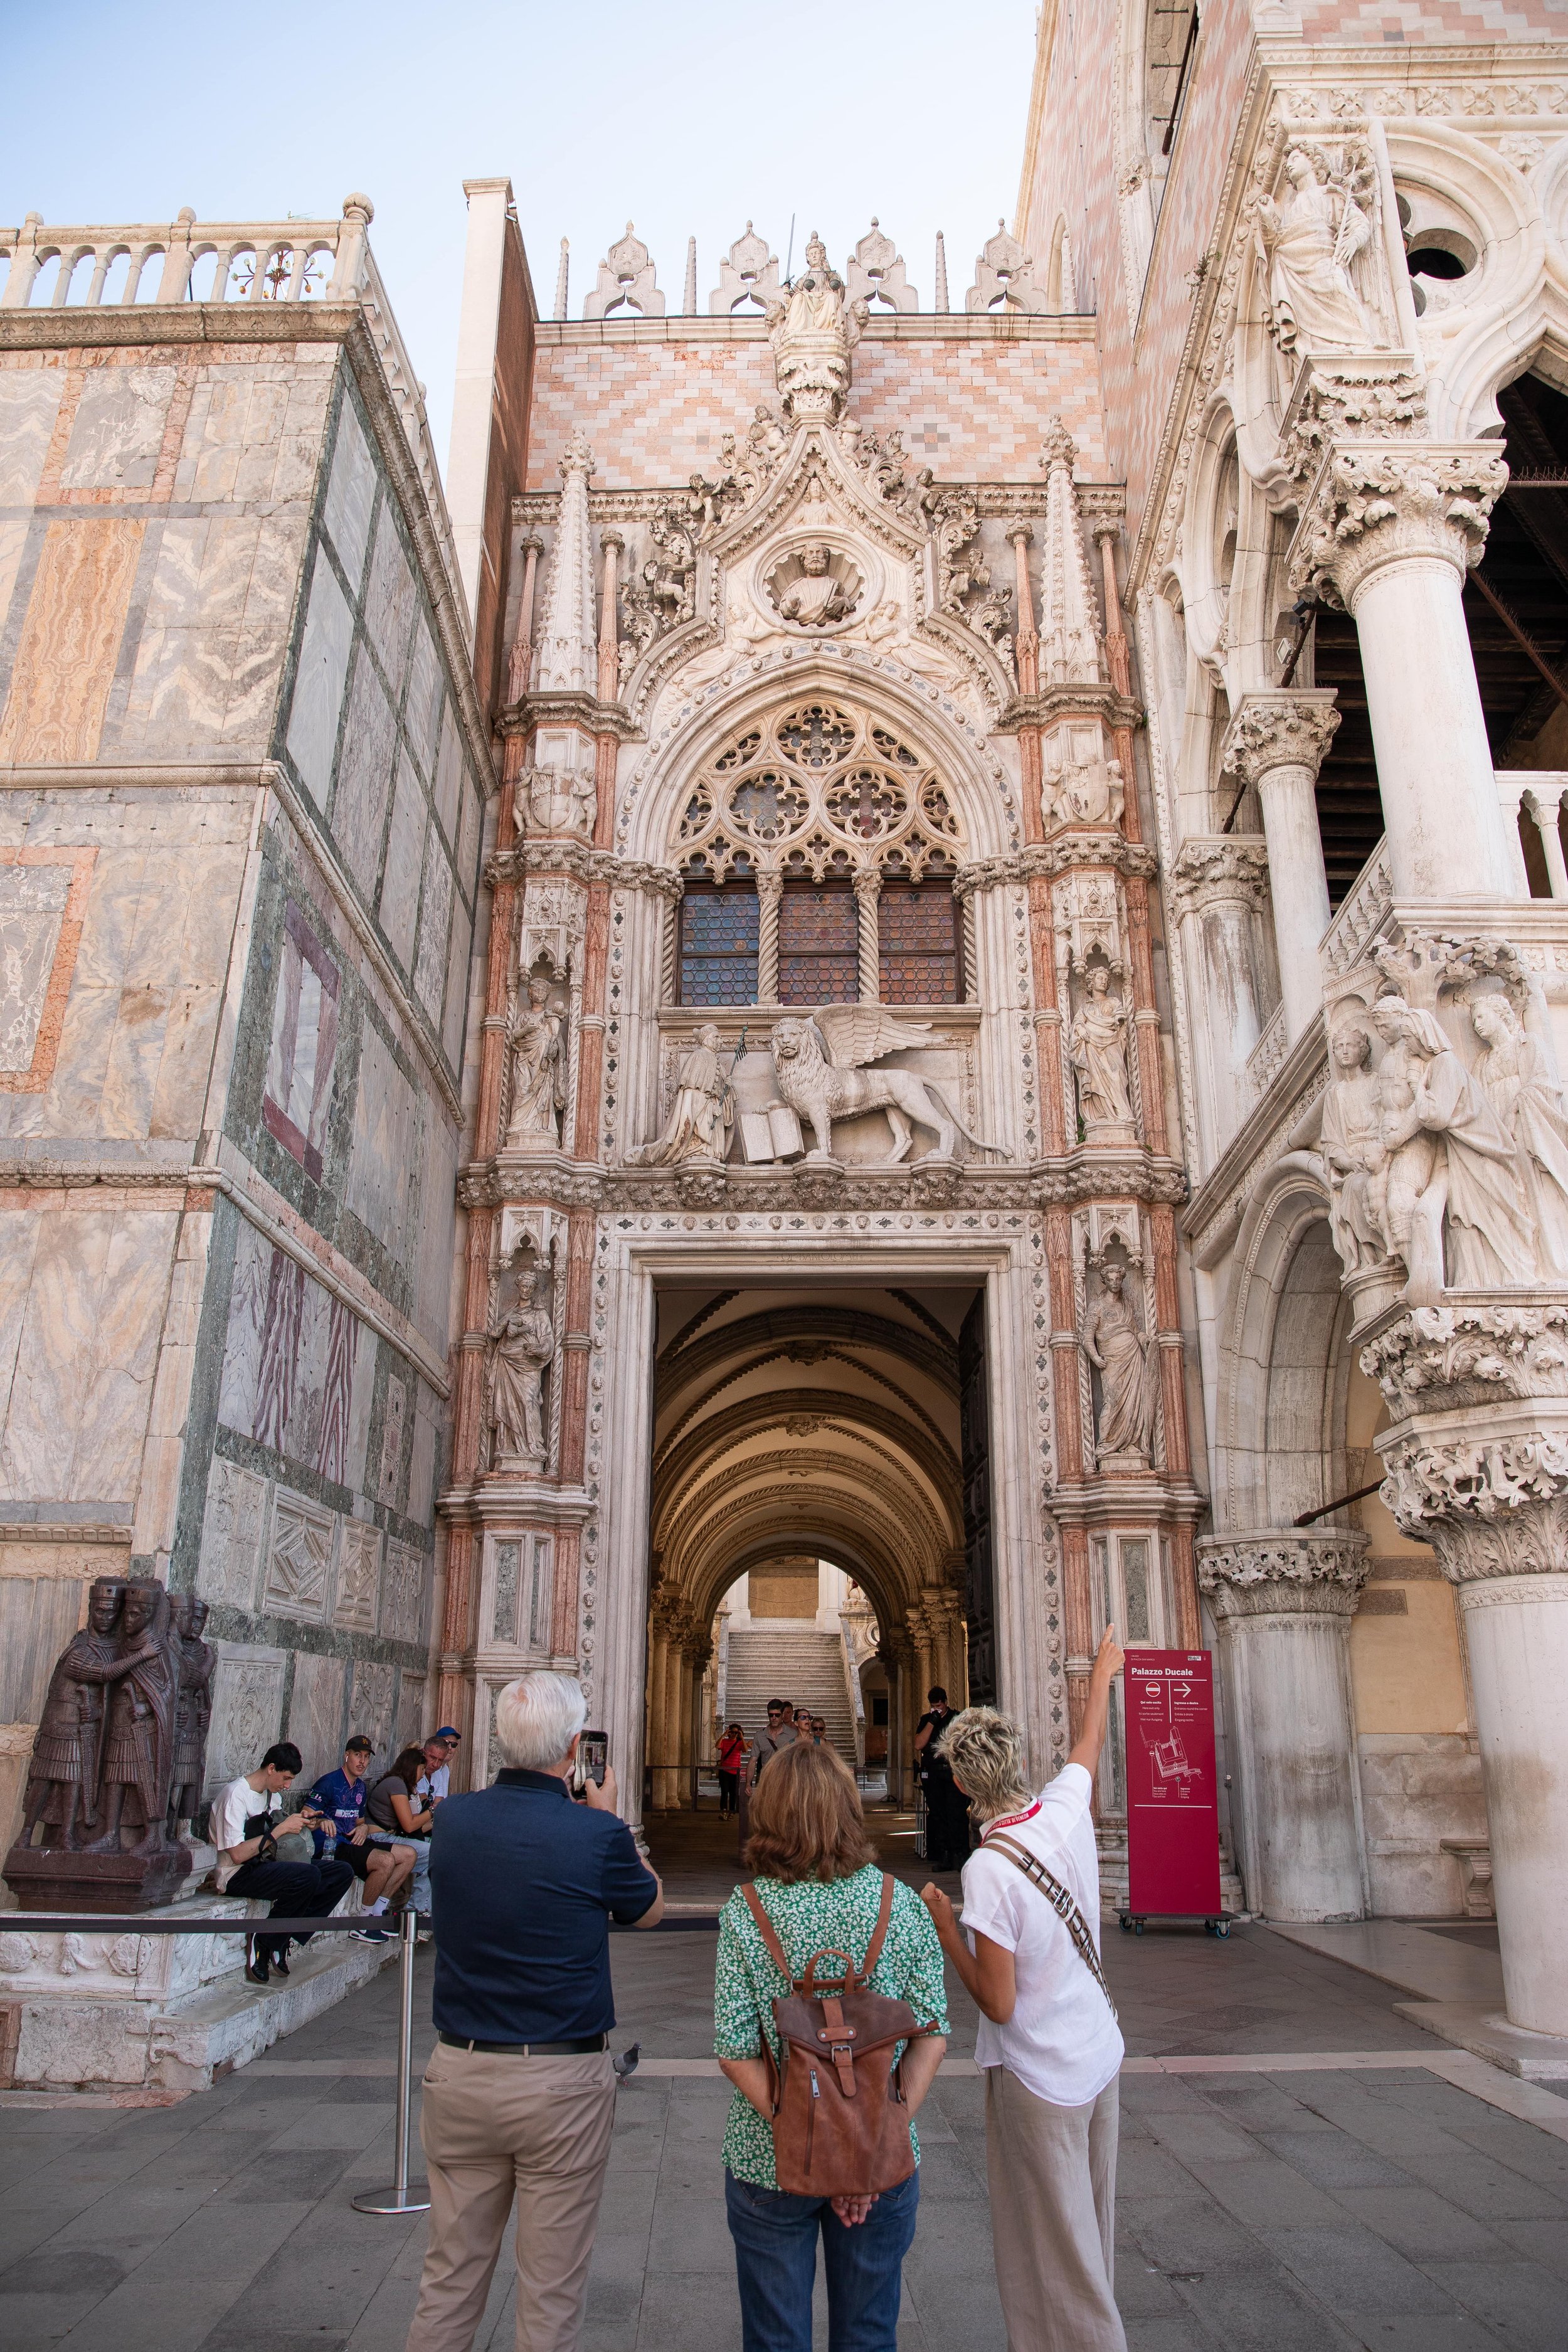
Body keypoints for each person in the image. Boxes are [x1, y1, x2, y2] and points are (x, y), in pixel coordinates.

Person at [405, 1670, 662, 2352]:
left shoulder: (453, 1820)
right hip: (559, 2084)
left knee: (449, 2278)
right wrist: (610, 1822)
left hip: (458, 2073)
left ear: (498, 1741)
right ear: (575, 1747)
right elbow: (648, 1909)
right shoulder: (594, 1836)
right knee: (549, 2292)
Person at [921, 1626, 1128, 2352]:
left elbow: (1000, 2003)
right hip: (1100, 2055)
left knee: (1047, 2245)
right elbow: (1086, 1750)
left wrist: (947, 1931)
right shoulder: (1065, 1810)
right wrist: (1101, 1678)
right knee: (1088, 2233)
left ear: (958, 1783)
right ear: (1017, 1761)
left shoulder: (988, 1870)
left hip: (1040, 2074)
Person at [715, 1740, 950, 2352]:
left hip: (768, 2159)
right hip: (883, 2159)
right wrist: (867, 2137)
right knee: (869, 2336)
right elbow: (931, 2035)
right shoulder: (900, 1904)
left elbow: (735, 2050)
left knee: (774, 2339)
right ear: (850, 1808)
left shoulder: (746, 1911)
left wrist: (806, 2132)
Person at [210, 1740, 356, 1985]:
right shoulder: (235, 1796)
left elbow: (279, 1835)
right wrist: (279, 1832)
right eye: (285, 1778)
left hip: (267, 1863)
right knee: (307, 1876)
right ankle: (265, 1941)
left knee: (341, 1872)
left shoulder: (271, 1795)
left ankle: (284, 1935)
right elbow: (236, 1854)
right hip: (237, 1874)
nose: (287, 1786)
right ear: (271, 1768)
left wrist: (307, 1823)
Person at [307, 1734, 413, 1942]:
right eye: (358, 1755)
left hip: (353, 1841)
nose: (362, 1762)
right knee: (385, 1861)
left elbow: (359, 1822)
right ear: (347, 1756)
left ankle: (378, 1912)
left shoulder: (360, 1788)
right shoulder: (329, 1782)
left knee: (409, 1855)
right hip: (331, 1846)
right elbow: (306, 1815)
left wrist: (363, 1828)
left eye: (366, 1757)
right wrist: (321, 1822)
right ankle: (363, 1924)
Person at [368, 1742, 436, 1929]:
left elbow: (415, 1828)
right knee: (434, 1854)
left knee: (439, 1853)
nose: (423, 1774)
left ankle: (416, 1908)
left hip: (390, 1838)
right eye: (422, 1769)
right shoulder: (395, 1784)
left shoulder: (401, 1785)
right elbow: (409, 1824)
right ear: (413, 1766)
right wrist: (431, 1811)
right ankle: (415, 1910)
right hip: (379, 1838)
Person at [914, 1687, 969, 1870]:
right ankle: (944, 1855)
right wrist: (932, 1722)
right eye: (933, 1706)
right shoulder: (926, 1720)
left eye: (939, 1706)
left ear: (945, 1702)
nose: (937, 1709)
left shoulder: (957, 1718)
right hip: (933, 1775)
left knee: (957, 1815)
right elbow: (919, 1744)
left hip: (954, 1774)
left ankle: (961, 1855)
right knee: (938, 1815)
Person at [753, 1700, 797, 1778]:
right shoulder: (760, 1735)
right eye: (771, 1715)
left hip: (786, 1779)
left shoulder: (793, 1734)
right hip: (767, 1779)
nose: (774, 1718)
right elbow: (753, 1760)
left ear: (782, 1715)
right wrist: (748, 1784)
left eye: (777, 1715)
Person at [718, 1722, 747, 1815]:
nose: (734, 1734)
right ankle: (724, 1811)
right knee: (724, 1792)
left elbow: (746, 1750)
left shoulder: (739, 1743)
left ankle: (731, 1812)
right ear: (729, 1732)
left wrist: (742, 1738)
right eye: (732, 1732)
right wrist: (723, 1735)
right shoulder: (725, 1742)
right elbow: (717, 1746)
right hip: (724, 1771)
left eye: (736, 1732)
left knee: (733, 1793)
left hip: (735, 1772)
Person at [427, 1727, 462, 1801]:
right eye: (446, 1742)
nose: (450, 1748)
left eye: (453, 1744)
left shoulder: (446, 1770)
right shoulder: (428, 1767)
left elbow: (441, 1800)